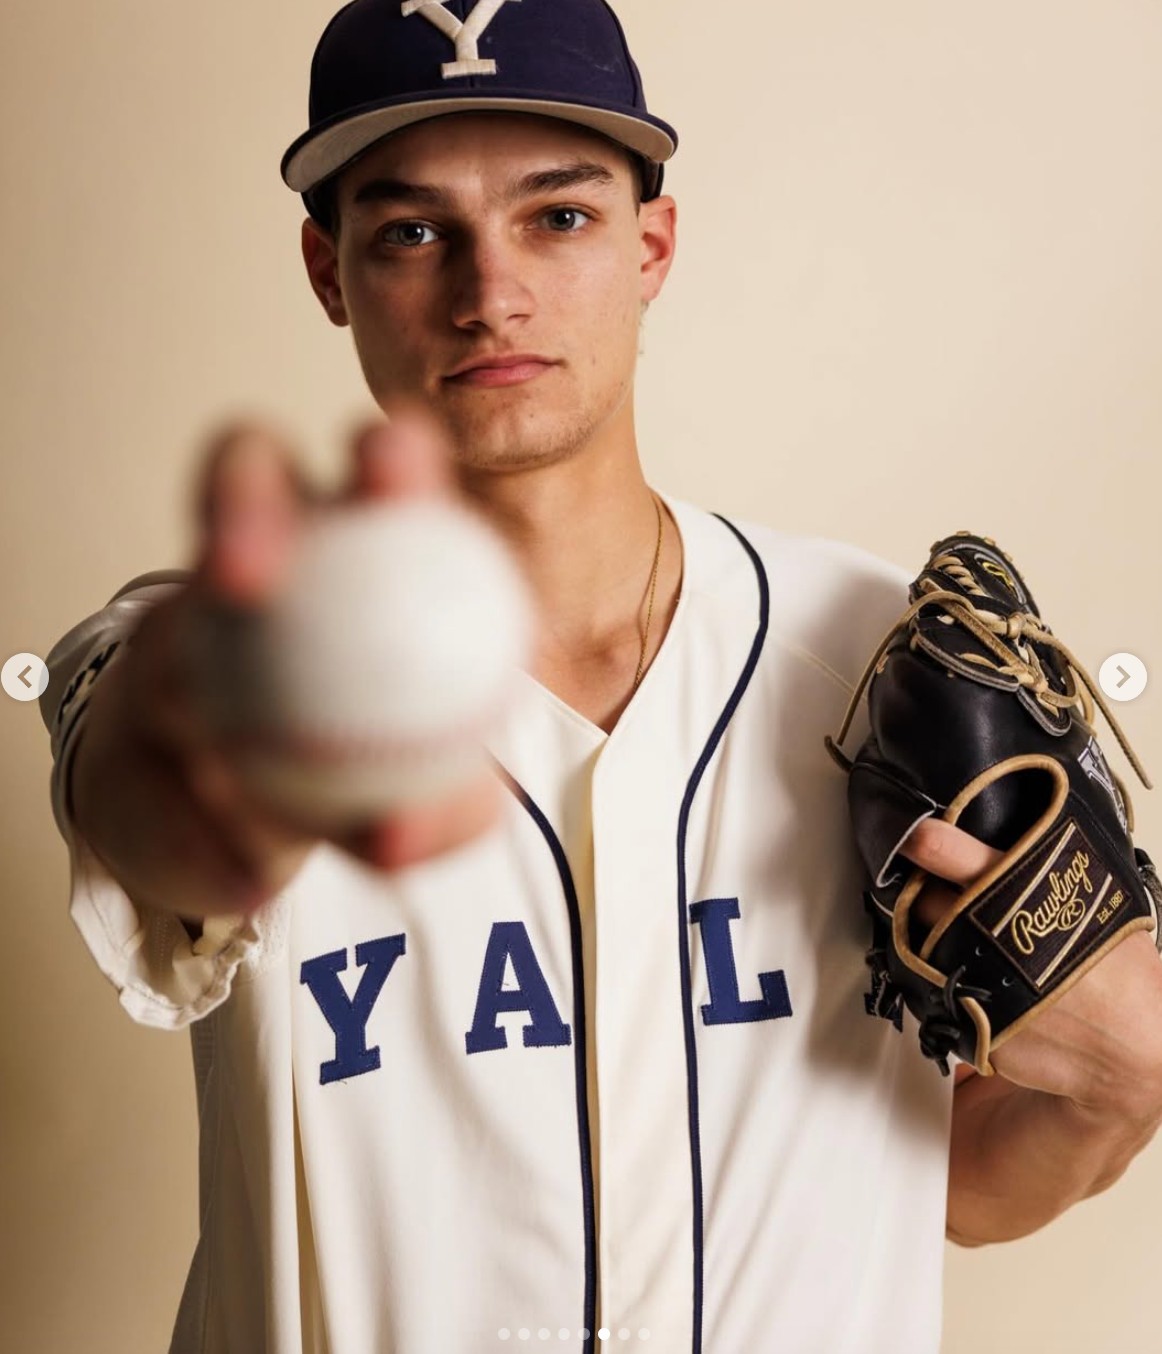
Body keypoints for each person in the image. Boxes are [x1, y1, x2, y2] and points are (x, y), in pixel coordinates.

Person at [39, 1, 1162, 1351]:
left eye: (557, 216)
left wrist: (1121, 1082)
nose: (489, 292)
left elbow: (954, 1185)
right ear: (328, 273)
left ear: (651, 245)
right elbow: (142, 786)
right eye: (411, 233)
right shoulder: (219, 649)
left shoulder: (873, 655)